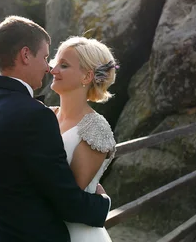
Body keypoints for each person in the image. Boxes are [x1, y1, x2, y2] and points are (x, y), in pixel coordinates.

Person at [0, 16, 111, 242]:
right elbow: (67, 201)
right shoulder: (36, 115)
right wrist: (104, 203)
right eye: (45, 57)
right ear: (25, 55)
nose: (48, 68)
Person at [49, 36, 118, 242]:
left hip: (76, 235)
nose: (53, 70)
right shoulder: (47, 116)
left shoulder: (95, 127)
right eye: (55, 64)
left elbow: (70, 199)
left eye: (64, 65)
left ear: (87, 76)